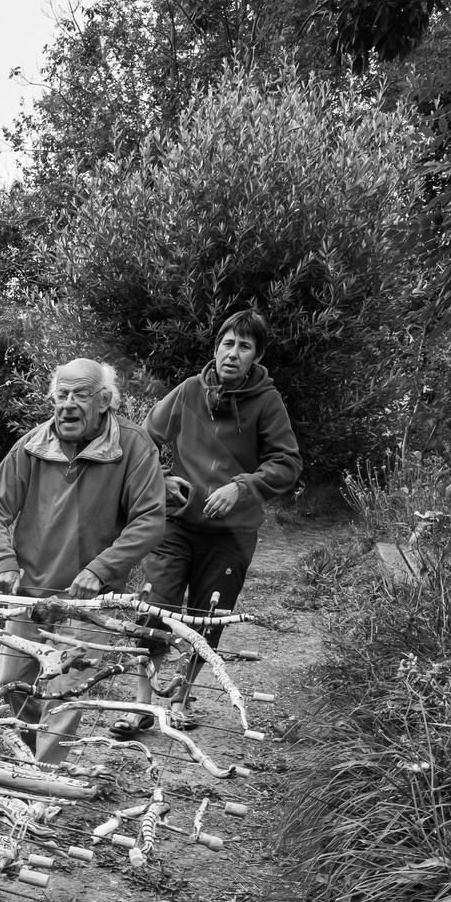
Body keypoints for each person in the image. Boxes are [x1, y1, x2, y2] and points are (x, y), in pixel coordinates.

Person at [0, 359, 166, 763]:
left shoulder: (132, 446)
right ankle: (28, 758)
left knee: (65, 692)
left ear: (104, 402)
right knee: (13, 682)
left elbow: (149, 520)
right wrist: (3, 561)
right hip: (30, 592)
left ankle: (45, 778)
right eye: (61, 395)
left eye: (80, 395)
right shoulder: (32, 444)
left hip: (87, 601)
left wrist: (101, 569)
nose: (68, 404)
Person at [142, 311, 300, 725]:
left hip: (232, 532)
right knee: (155, 608)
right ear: (216, 348)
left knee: (207, 617)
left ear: (256, 356)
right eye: (227, 343)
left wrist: (242, 486)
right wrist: (160, 476)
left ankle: (180, 701)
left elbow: (287, 463)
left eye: (244, 346)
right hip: (175, 522)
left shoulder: (267, 401)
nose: (233, 353)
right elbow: (143, 440)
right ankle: (143, 704)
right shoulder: (189, 391)